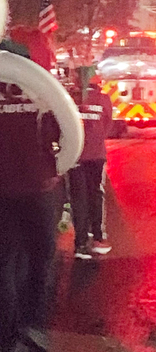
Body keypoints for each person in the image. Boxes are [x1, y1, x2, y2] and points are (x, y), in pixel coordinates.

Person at [0, 27, 61, 352]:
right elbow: (62, 129)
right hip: (38, 187)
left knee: (2, 261)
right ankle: (31, 325)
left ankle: (6, 336)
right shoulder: (42, 90)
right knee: (40, 258)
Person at [68, 66, 113, 259]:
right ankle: (98, 238)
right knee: (96, 195)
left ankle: (80, 244)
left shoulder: (70, 98)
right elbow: (108, 124)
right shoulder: (104, 99)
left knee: (78, 198)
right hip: (96, 155)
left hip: (76, 156)